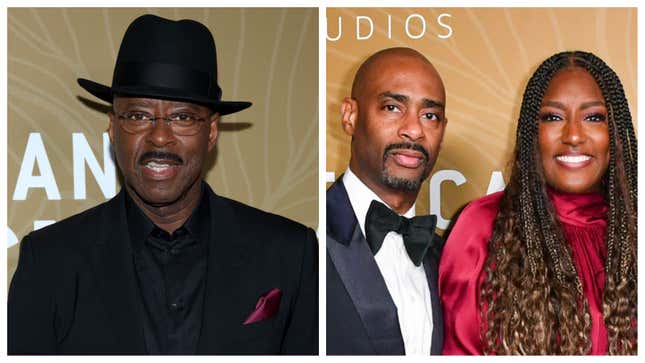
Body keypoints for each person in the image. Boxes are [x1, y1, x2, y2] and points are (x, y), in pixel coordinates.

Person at [8, 14, 318, 355]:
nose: (159, 137)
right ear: (113, 128)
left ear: (211, 131)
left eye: (182, 117)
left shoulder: (290, 252)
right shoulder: (50, 260)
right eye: (139, 116)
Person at [439, 51, 637, 355]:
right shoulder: (482, 227)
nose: (573, 135)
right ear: (533, 134)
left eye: (594, 117)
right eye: (553, 117)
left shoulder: (635, 230)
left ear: (616, 135)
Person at [327, 47, 446, 355]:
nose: (414, 130)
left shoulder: (448, 257)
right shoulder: (305, 238)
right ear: (350, 116)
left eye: (429, 115)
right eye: (393, 108)